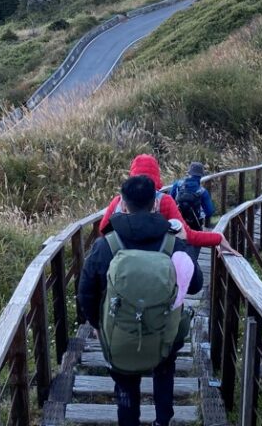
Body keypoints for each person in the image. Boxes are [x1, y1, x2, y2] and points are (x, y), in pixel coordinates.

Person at [79, 175, 205, 426]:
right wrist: (184, 245)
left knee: (125, 383)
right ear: (155, 205)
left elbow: (86, 291)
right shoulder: (171, 243)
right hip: (163, 333)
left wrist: (97, 324)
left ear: (123, 205)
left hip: (120, 333)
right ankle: (162, 420)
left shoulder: (107, 245)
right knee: (165, 369)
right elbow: (196, 284)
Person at [100, 155, 238, 256]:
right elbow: (188, 235)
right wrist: (217, 237)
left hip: (122, 271)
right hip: (158, 272)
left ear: (132, 175)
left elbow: (103, 230)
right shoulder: (164, 201)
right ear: (156, 175)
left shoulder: (119, 201)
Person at [169, 161, 216, 232]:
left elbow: (170, 200)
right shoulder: (202, 191)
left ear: (189, 173)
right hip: (195, 227)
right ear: (201, 175)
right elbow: (209, 212)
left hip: (178, 225)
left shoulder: (177, 184)